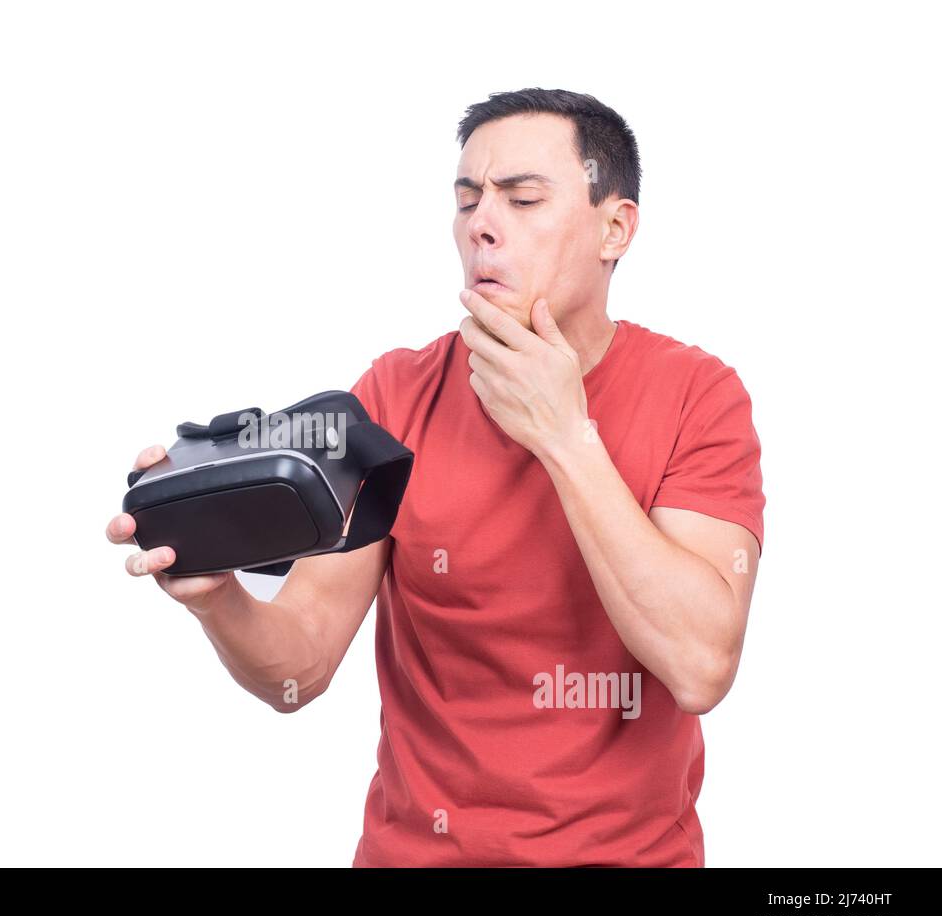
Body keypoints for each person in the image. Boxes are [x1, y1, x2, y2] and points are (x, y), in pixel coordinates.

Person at [106, 88, 764, 867]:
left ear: (614, 228)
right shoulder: (394, 394)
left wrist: (563, 435)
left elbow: (699, 665)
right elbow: (300, 662)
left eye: (522, 198)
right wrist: (219, 599)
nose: (482, 224)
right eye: (467, 199)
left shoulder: (699, 395)